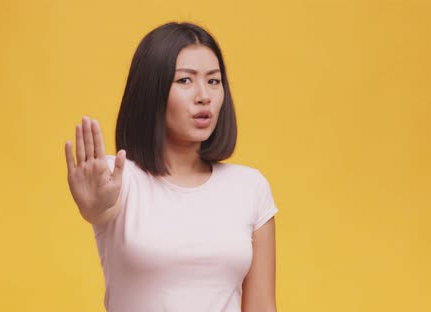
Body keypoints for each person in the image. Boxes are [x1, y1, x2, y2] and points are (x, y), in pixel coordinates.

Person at [64, 22, 279, 312]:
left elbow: (262, 306)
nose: (204, 95)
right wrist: (94, 206)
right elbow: (100, 207)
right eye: (185, 81)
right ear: (151, 91)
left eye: (213, 81)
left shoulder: (250, 187)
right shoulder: (118, 178)